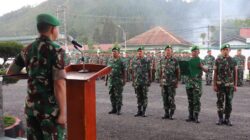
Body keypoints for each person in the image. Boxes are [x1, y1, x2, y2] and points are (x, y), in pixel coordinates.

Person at [6, 13, 66, 139]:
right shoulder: (56, 50)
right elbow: (59, 84)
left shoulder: (27, 49)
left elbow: (10, 72)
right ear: (52, 29)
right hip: (49, 111)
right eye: (57, 28)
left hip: (31, 109)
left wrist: (32, 75)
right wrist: (63, 113)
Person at [213, 44, 237, 126]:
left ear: (229, 50)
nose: (226, 51)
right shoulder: (217, 60)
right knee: (220, 102)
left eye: (227, 49)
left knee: (229, 102)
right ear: (221, 51)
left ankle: (227, 119)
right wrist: (214, 85)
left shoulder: (233, 60)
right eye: (224, 49)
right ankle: (220, 118)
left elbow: (235, 73)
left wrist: (235, 85)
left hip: (230, 85)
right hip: (220, 85)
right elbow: (215, 73)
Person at [185, 45, 208, 123]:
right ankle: (190, 116)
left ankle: (196, 116)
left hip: (197, 84)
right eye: (193, 51)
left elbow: (207, 70)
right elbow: (185, 72)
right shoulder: (188, 61)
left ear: (199, 52)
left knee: (196, 100)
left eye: (196, 51)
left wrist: (201, 67)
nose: (194, 53)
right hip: (189, 84)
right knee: (190, 100)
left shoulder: (201, 60)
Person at [159, 45, 180, 120]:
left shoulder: (175, 60)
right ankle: (166, 113)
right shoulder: (162, 60)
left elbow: (178, 72)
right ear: (165, 52)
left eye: (169, 50)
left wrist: (177, 82)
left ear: (171, 52)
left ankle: (172, 114)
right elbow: (161, 71)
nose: (168, 51)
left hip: (172, 83)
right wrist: (160, 80)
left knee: (171, 98)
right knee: (164, 98)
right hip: (164, 82)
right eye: (166, 50)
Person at [105, 46, 126, 115]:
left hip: (118, 81)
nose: (113, 53)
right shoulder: (110, 60)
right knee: (112, 95)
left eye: (115, 52)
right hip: (111, 81)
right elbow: (107, 71)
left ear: (118, 53)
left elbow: (124, 71)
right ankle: (113, 108)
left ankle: (118, 109)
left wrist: (124, 79)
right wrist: (106, 80)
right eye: (113, 52)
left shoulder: (121, 61)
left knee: (118, 95)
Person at [131, 47, 151, 117]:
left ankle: (144, 111)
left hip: (144, 82)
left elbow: (149, 71)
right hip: (137, 81)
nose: (139, 52)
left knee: (144, 96)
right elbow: (133, 72)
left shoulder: (147, 60)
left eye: (141, 51)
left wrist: (149, 80)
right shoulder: (134, 60)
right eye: (138, 51)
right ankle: (139, 110)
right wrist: (133, 81)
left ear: (143, 52)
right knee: (138, 96)